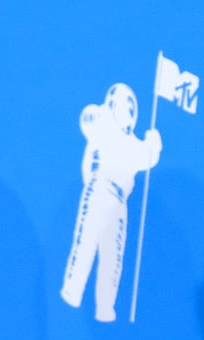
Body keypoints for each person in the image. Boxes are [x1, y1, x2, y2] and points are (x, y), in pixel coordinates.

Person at [60, 82, 161, 322]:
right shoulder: (103, 126)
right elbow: (88, 118)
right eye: (123, 104)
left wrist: (153, 143)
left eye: (131, 107)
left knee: (112, 255)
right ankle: (73, 291)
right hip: (99, 187)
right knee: (86, 241)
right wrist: (104, 113)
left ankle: (105, 307)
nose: (127, 110)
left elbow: (146, 156)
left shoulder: (132, 144)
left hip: (119, 201)